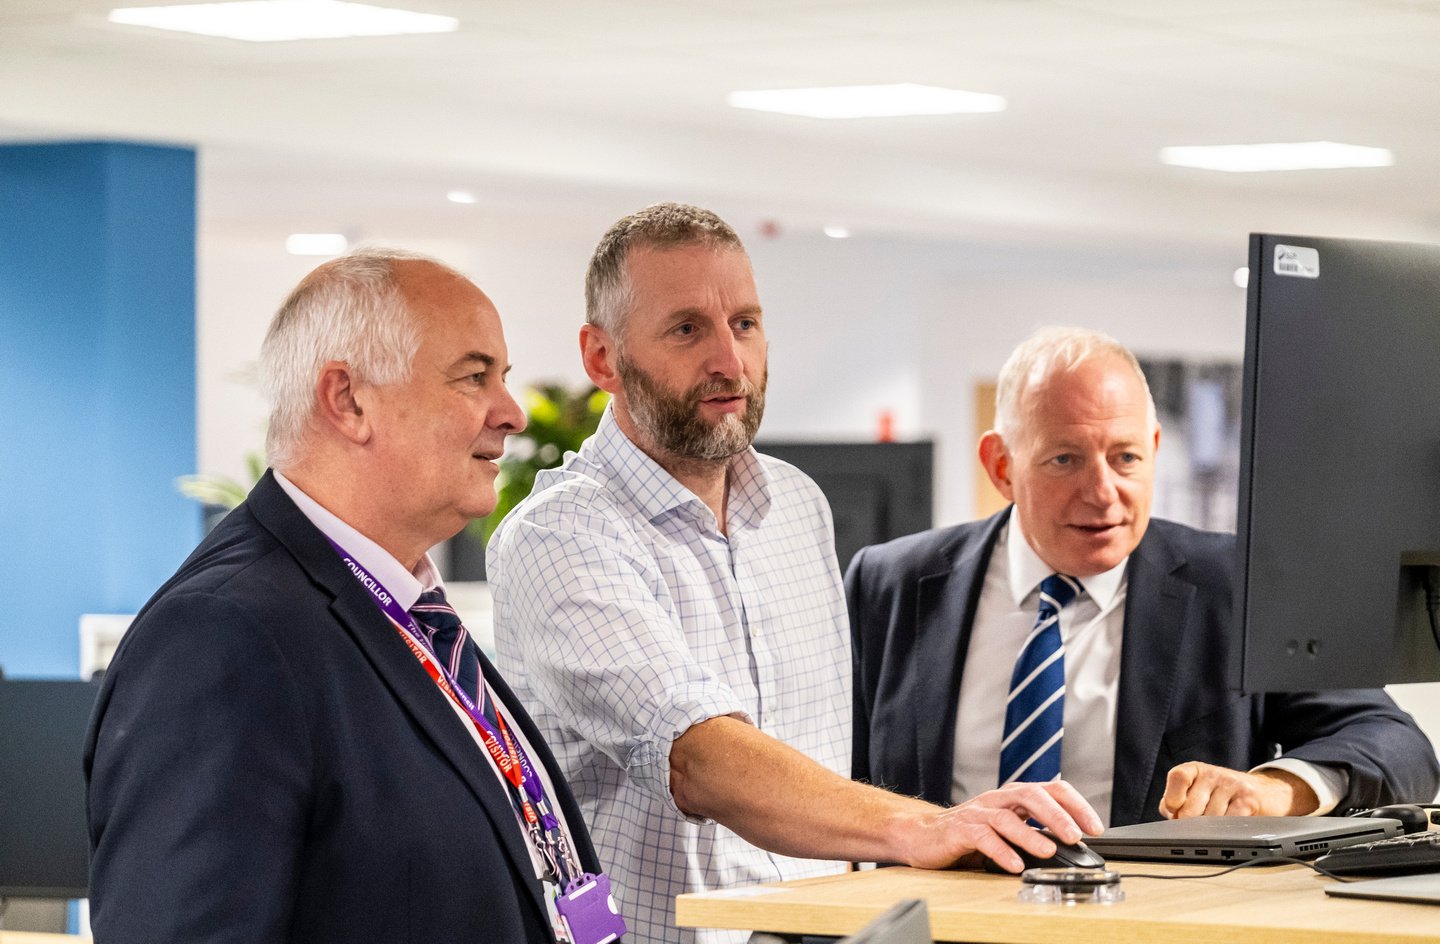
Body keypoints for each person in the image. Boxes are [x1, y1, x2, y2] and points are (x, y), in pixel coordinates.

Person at [487, 204, 1102, 944]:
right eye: (687, 329)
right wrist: (925, 826)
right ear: (602, 358)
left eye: (744, 323)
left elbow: (821, 756)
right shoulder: (560, 536)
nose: (729, 360)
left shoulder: (796, 507)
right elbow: (699, 757)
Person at [85, 251, 622, 944]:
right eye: (474, 376)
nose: (512, 413)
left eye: (503, 378)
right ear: (348, 400)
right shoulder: (222, 637)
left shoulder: (410, 613)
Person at [847, 325, 1440, 829]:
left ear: (1154, 449)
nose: (1103, 492)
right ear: (1001, 465)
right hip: (940, 923)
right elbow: (820, 779)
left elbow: (1396, 746)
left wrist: (1273, 791)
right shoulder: (892, 584)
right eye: (1065, 459)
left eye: (1125, 457)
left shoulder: (1237, 585)